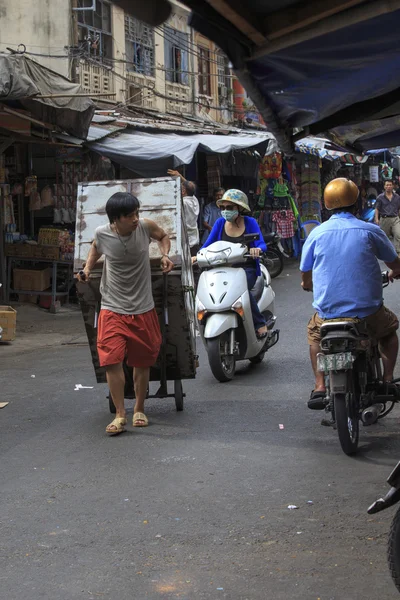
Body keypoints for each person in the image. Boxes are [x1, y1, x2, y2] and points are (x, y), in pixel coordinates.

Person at [77, 192, 174, 435]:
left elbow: (163, 236)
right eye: (130, 216)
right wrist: (87, 268)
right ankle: (120, 414)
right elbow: (95, 249)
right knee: (111, 360)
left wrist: (165, 255)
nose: (135, 219)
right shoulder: (103, 233)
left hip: (143, 307)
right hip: (112, 307)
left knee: (142, 361)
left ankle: (139, 408)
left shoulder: (144, 227)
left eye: (136, 214)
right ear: (115, 219)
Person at [300, 178, 400, 410]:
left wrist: (308, 285)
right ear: (357, 204)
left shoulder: (316, 234)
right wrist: (395, 271)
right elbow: (395, 263)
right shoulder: (370, 230)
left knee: (315, 337)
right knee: (388, 332)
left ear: (326, 205)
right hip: (368, 312)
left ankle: (319, 387)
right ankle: (386, 381)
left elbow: (305, 276)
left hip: (328, 314)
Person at [196, 188, 268, 339]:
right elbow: (207, 245)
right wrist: (197, 256)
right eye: (223, 208)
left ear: (240, 208)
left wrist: (257, 250)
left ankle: (259, 323)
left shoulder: (250, 222)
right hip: (222, 269)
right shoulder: (219, 223)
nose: (225, 211)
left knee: (243, 293)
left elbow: (261, 244)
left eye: (230, 208)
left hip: (246, 269)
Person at [167, 169, 200, 256]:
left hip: (186, 242)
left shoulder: (183, 203)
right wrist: (180, 176)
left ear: (183, 191)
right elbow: (190, 188)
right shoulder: (194, 200)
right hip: (194, 241)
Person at [374, 180, 400, 255]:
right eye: (387, 185)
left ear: (393, 186)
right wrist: (376, 219)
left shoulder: (397, 197)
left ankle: (398, 252)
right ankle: (386, 252)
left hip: (395, 218)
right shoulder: (380, 197)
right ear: (384, 187)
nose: (388, 187)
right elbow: (377, 208)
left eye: (390, 185)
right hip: (384, 219)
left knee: (398, 234)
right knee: (384, 237)